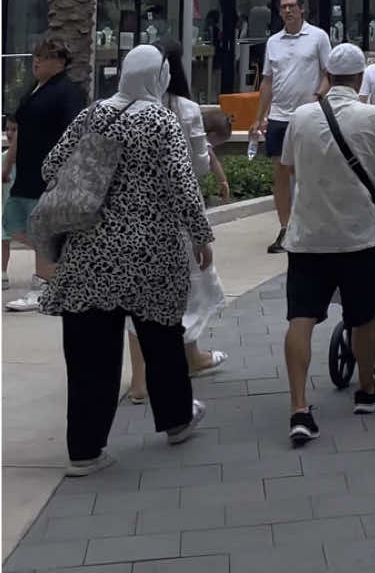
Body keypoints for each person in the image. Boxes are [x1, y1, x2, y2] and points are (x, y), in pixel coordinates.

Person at [39, 46, 212, 475]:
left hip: (90, 255)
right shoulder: (159, 120)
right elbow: (182, 182)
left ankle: (85, 451)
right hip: (150, 253)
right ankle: (175, 421)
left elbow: (51, 166)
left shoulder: (93, 114)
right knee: (162, 340)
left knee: (89, 356)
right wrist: (200, 234)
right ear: (161, 76)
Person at [279, 43, 375, 445]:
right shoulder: (373, 117)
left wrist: (284, 224)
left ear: (326, 76)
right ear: (361, 79)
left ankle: (298, 408)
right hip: (358, 237)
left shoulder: (301, 117)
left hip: (308, 237)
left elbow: (286, 171)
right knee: (362, 316)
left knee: (301, 318)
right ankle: (366, 390)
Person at [127, 42, 228, 399]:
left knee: (139, 292)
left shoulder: (122, 108)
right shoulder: (184, 108)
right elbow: (198, 165)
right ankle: (190, 357)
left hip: (133, 212)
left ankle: (140, 382)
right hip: (179, 211)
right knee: (189, 284)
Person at [4, 38, 86, 311]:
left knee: (40, 228)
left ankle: (43, 286)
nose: (36, 61)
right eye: (36, 56)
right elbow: (21, 129)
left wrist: (66, 173)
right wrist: (7, 165)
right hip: (25, 172)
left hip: (48, 175)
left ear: (60, 62)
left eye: (44, 57)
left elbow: (74, 134)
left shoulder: (67, 92)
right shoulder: (34, 90)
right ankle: (62, 263)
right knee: (13, 222)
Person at [253, 0, 331, 254]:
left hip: (308, 115)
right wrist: (258, 117)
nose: (288, 11)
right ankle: (286, 228)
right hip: (278, 116)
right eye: (283, 7)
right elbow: (267, 81)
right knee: (281, 174)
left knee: (308, 173)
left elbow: (328, 74)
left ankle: (309, 226)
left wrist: (317, 97)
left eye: (292, 6)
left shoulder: (318, 37)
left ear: (302, 9)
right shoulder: (273, 42)